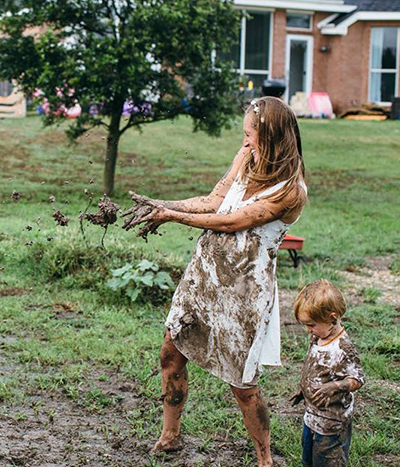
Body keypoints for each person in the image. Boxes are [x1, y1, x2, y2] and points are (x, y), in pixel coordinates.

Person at [123, 96, 307, 466]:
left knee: (243, 386)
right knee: (171, 353)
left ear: (270, 136)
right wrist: (162, 205)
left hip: (244, 290)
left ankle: (264, 458)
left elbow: (234, 221)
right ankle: (170, 436)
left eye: (249, 135)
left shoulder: (291, 189)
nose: (244, 143)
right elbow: (214, 202)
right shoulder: (246, 161)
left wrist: (173, 216)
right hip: (205, 276)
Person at [290, 280, 364, 467]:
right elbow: (314, 367)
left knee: (329, 461)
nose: (308, 330)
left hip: (332, 424)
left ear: (332, 318)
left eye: (311, 324)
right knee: (308, 460)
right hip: (312, 416)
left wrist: (335, 386)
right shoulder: (317, 338)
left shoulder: (343, 348)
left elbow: (357, 379)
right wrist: (304, 390)